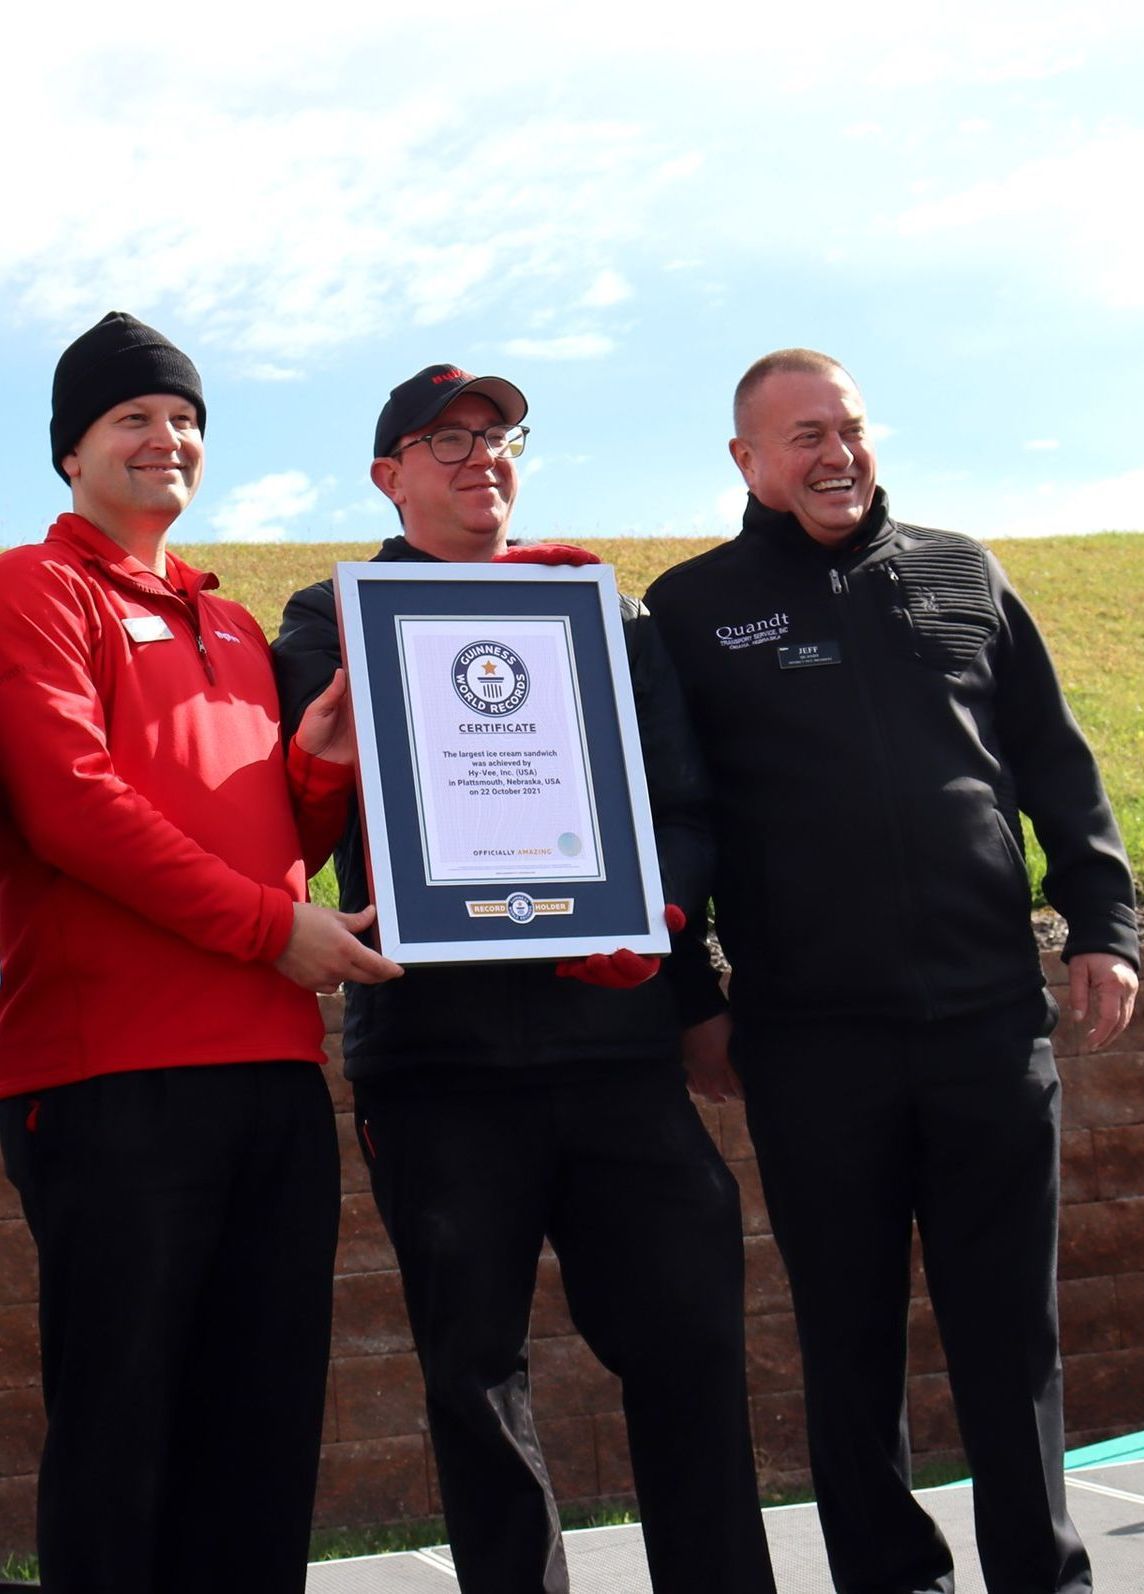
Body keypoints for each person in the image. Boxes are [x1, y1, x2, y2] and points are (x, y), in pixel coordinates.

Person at [645, 348, 1141, 1594]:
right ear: (745, 460)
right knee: (848, 1337)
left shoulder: (963, 572)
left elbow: (1053, 758)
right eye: (803, 435)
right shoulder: (691, 611)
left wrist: (1100, 918)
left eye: (851, 429)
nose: (836, 455)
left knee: (1009, 1334)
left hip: (987, 1023)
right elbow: (672, 815)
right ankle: (891, 1578)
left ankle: (1043, 1574)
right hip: (814, 1042)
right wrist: (696, 997)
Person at [273, 364, 776, 1594]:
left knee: (692, 1347)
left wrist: (658, 920)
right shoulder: (330, 621)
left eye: (500, 437)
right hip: (439, 1067)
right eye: (445, 440)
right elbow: (294, 808)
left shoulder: (596, 611)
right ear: (389, 476)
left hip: (612, 1051)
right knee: (471, 1374)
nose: (480, 457)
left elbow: (682, 805)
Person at [0, 312, 403, 1594]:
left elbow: (281, 830)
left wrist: (322, 766)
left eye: (185, 421)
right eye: (132, 418)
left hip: (276, 1068)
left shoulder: (231, 626)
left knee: (263, 1426)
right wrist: (273, 928)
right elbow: (72, 805)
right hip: (111, 1075)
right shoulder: (32, 589)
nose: (165, 439)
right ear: (71, 451)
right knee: (125, 1431)